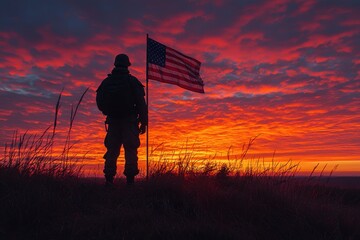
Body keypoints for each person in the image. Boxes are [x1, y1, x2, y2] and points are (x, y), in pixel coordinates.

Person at [96, 54, 147, 185]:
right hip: (129, 122)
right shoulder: (132, 81)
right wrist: (144, 122)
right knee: (130, 150)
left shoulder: (106, 82)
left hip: (113, 121)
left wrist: (107, 112)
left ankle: (109, 180)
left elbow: (99, 101)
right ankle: (130, 182)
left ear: (115, 64)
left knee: (112, 150)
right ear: (127, 65)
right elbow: (141, 104)